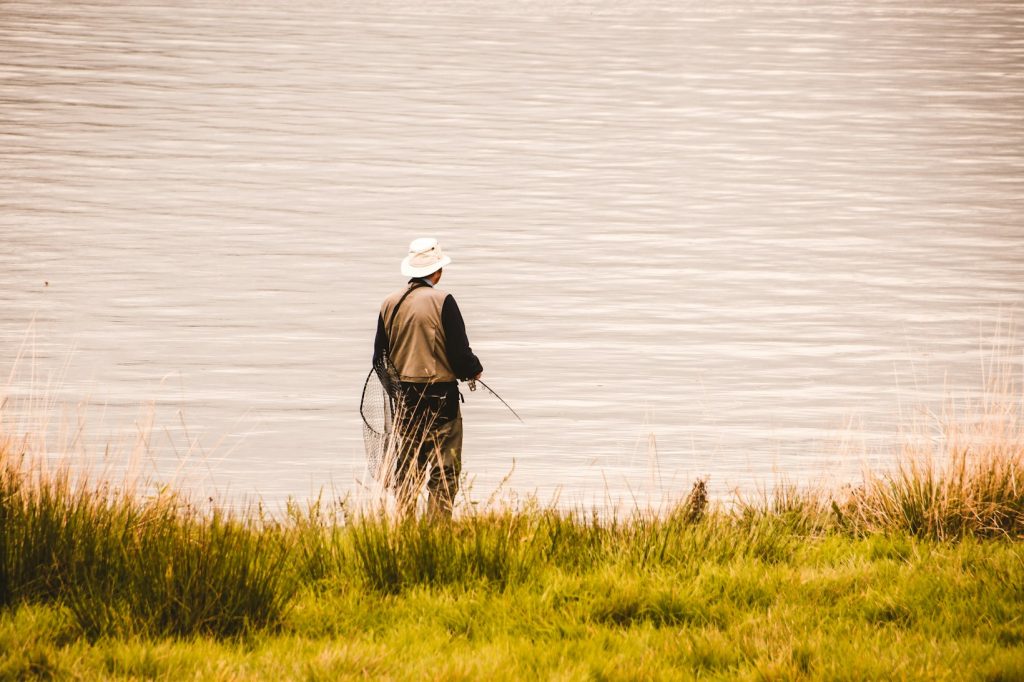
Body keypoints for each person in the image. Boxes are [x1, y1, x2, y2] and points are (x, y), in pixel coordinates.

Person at [372, 237, 483, 518]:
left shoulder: (389, 303)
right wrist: (475, 370)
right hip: (442, 402)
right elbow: (461, 357)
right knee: (444, 474)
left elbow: (379, 360)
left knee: (408, 473)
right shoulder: (443, 301)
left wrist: (398, 394)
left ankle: (405, 534)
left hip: (407, 404)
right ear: (438, 271)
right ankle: (437, 537)